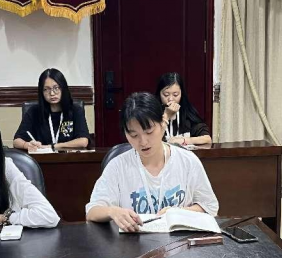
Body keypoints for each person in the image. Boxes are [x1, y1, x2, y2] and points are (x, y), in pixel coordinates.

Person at [86, 92, 218, 232]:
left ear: (162, 123)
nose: (143, 142)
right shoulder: (118, 166)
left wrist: (178, 213)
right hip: (133, 243)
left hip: (180, 242)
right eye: (134, 135)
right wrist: (112, 211)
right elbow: (92, 211)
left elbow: (210, 207)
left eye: (149, 132)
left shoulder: (187, 161)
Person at [13, 68, 90, 152]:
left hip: (69, 158)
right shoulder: (34, 111)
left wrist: (52, 147)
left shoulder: (75, 110)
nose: (52, 93)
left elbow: (83, 141)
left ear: (63, 88)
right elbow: (16, 141)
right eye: (46, 89)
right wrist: (27, 145)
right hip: (41, 158)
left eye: (56, 88)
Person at [155, 72, 212, 146]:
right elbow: (152, 140)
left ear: (182, 94)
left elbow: (207, 139)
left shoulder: (187, 113)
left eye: (175, 95)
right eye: (166, 95)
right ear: (159, 94)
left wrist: (183, 140)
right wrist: (166, 115)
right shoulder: (152, 114)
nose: (171, 99)